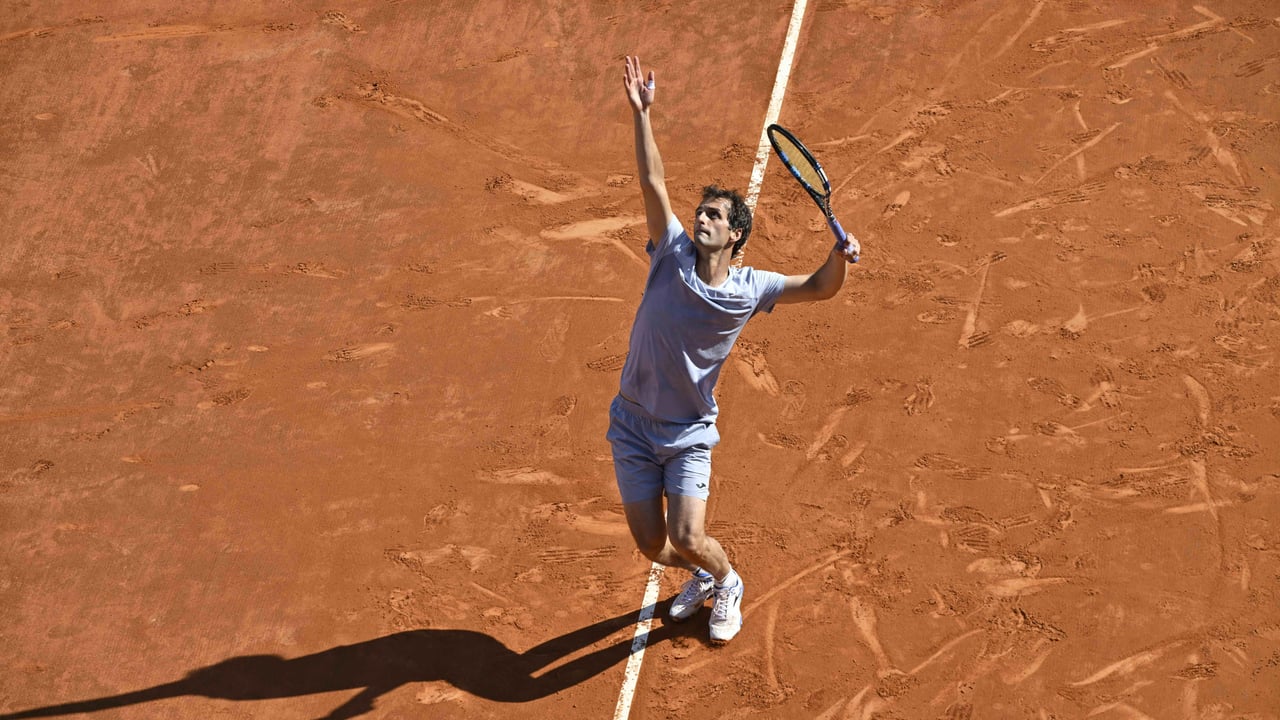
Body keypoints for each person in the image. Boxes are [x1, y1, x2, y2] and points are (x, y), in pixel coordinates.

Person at [609, 56, 860, 644]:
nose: (701, 216)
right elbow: (653, 183)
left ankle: (726, 579)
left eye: (715, 215)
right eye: (702, 210)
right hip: (632, 423)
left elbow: (821, 288)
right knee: (653, 545)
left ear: (736, 234)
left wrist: (837, 256)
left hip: (688, 430)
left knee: (690, 536)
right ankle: (696, 576)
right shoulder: (669, 251)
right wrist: (643, 115)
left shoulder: (753, 289)